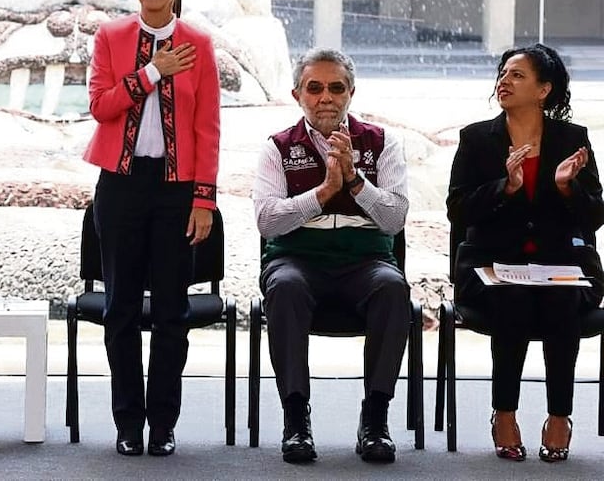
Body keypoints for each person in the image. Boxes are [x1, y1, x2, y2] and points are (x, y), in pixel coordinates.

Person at [83, 0, 220, 457]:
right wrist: (152, 73)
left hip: (176, 189)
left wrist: (203, 200)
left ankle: (162, 423)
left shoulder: (200, 46)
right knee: (119, 309)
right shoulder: (110, 37)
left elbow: (207, 128)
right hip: (118, 187)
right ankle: (127, 423)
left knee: (171, 312)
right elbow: (101, 106)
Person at [447, 43, 604, 463]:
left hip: (561, 267)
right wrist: (507, 187)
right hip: (492, 267)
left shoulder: (573, 139)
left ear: (544, 89)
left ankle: (559, 416)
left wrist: (568, 186)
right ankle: (505, 412)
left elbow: (594, 216)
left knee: (561, 298)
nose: (504, 81)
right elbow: (458, 210)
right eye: (503, 73)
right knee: (511, 296)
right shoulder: (477, 139)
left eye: (517, 75)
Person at [252, 48, 409, 464]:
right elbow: (267, 222)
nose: (326, 97)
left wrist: (355, 181)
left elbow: (394, 219)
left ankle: (375, 418)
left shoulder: (382, 142)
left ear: (351, 93)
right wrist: (322, 193)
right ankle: (296, 419)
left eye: (336, 88)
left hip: (366, 262)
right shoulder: (277, 148)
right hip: (297, 259)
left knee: (394, 288)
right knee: (283, 287)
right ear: (297, 94)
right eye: (315, 88)